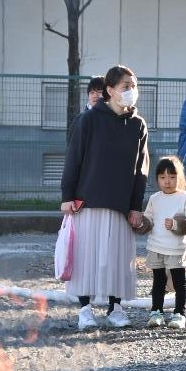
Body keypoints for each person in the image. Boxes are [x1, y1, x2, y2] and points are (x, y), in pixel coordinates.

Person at [60, 63, 149, 331]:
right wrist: (67, 195)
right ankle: (85, 309)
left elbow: (140, 169)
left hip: (121, 205)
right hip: (87, 201)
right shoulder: (88, 120)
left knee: (118, 257)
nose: (131, 91)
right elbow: (73, 159)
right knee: (86, 256)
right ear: (109, 90)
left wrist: (136, 206)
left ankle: (116, 307)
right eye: (126, 87)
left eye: (134, 87)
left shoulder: (137, 125)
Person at [142, 155, 186, 330]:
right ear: (157, 178)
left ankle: (179, 313)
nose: (167, 181)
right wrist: (141, 223)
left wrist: (176, 224)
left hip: (176, 248)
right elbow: (148, 219)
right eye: (163, 177)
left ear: (179, 178)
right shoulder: (154, 198)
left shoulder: (185, 198)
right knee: (158, 282)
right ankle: (156, 312)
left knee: (179, 282)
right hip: (156, 246)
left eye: (172, 177)